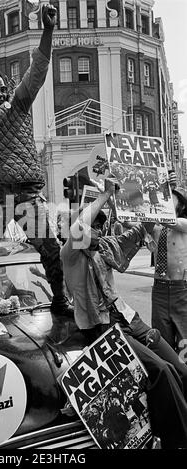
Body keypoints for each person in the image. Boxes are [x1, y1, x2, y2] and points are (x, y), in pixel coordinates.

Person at [0, 4, 72, 316]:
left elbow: (38, 69)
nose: (1, 93)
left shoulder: (17, 107)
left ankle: (60, 301)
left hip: (23, 193)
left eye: (3, 89)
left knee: (49, 249)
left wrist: (47, 30)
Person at [60, 176, 187, 449]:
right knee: (161, 371)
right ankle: (178, 440)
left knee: (179, 369)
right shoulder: (69, 253)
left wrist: (157, 195)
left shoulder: (106, 247)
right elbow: (78, 227)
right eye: (93, 226)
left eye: (99, 226)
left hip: (129, 318)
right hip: (103, 328)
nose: (96, 230)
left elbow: (143, 229)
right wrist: (106, 195)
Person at [151, 181, 187, 355]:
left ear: (181, 205)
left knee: (184, 346)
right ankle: (170, 380)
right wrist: (114, 200)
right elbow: (130, 221)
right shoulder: (158, 227)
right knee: (162, 346)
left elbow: (170, 221)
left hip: (181, 290)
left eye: (172, 199)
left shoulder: (183, 224)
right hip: (160, 288)